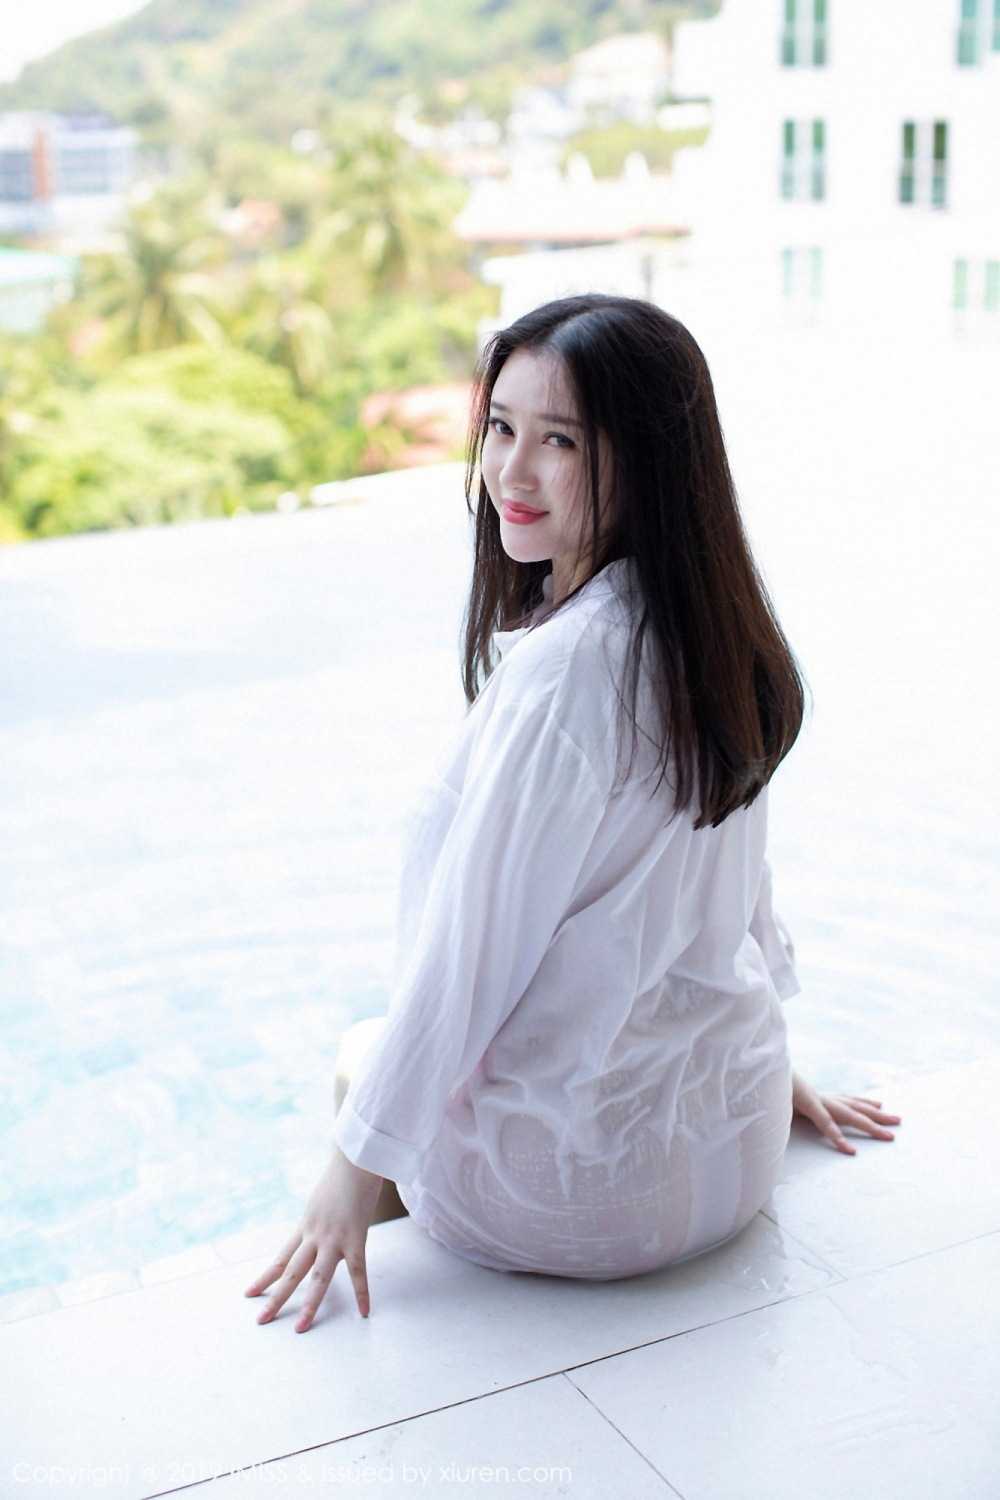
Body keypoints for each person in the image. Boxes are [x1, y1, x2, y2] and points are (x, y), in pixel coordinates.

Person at [245, 293, 901, 1334]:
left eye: (560, 441)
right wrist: (776, 1071)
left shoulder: (566, 675)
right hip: (735, 1148)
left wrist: (347, 1172)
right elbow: (729, 886)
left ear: (649, 461)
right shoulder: (715, 631)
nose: (511, 473)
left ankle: (371, 1228)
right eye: (501, 428)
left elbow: (467, 958)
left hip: (585, 1204)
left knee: (361, 1058)